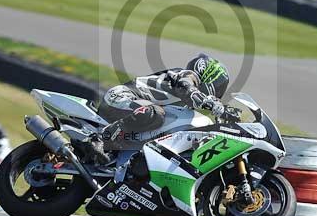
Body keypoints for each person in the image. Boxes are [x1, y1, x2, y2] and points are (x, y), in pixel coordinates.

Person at [90, 53, 231, 163]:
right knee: (155, 113)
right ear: (210, 75)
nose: (217, 91)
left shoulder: (185, 103)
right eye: (218, 84)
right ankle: (102, 139)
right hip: (121, 97)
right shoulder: (184, 76)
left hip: (132, 112)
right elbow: (187, 86)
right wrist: (207, 101)